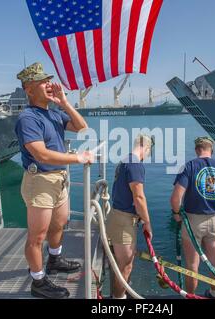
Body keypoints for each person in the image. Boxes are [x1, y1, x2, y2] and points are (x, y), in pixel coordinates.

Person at [15, 62, 93, 299]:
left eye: (49, 80)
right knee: (37, 236)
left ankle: (55, 260)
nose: (50, 84)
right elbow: (41, 154)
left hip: (58, 179)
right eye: (43, 81)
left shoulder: (53, 113)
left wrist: (65, 103)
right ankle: (38, 283)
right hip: (40, 181)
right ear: (29, 89)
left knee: (60, 223)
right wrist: (77, 158)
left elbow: (81, 127)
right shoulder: (27, 118)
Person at [170, 137, 215, 298]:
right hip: (214, 221)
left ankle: (191, 296)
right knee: (214, 263)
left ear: (196, 150)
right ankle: (214, 293)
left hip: (193, 222)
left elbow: (175, 199)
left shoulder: (189, 166)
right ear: (211, 150)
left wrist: (177, 213)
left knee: (193, 265)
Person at [106, 134, 154, 299]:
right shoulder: (135, 164)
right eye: (149, 152)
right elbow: (139, 197)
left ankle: (117, 295)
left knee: (120, 265)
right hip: (123, 222)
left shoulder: (124, 161)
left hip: (116, 216)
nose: (147, 156)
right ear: (146, 148)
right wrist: (147, 222)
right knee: (125, 266)